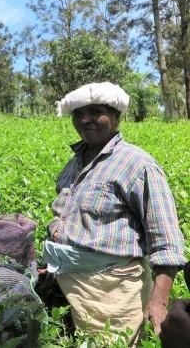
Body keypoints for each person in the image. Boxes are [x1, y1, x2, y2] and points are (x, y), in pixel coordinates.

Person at [43, 82, 186, 341]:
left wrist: (159, 301)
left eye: (95, 112)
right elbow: (64, 214)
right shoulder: (74, 161)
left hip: (112, 292)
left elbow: (166, 240)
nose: (86, 119)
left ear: (116, 117)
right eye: (79, 113)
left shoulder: (137, 164)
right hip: (65, 281)